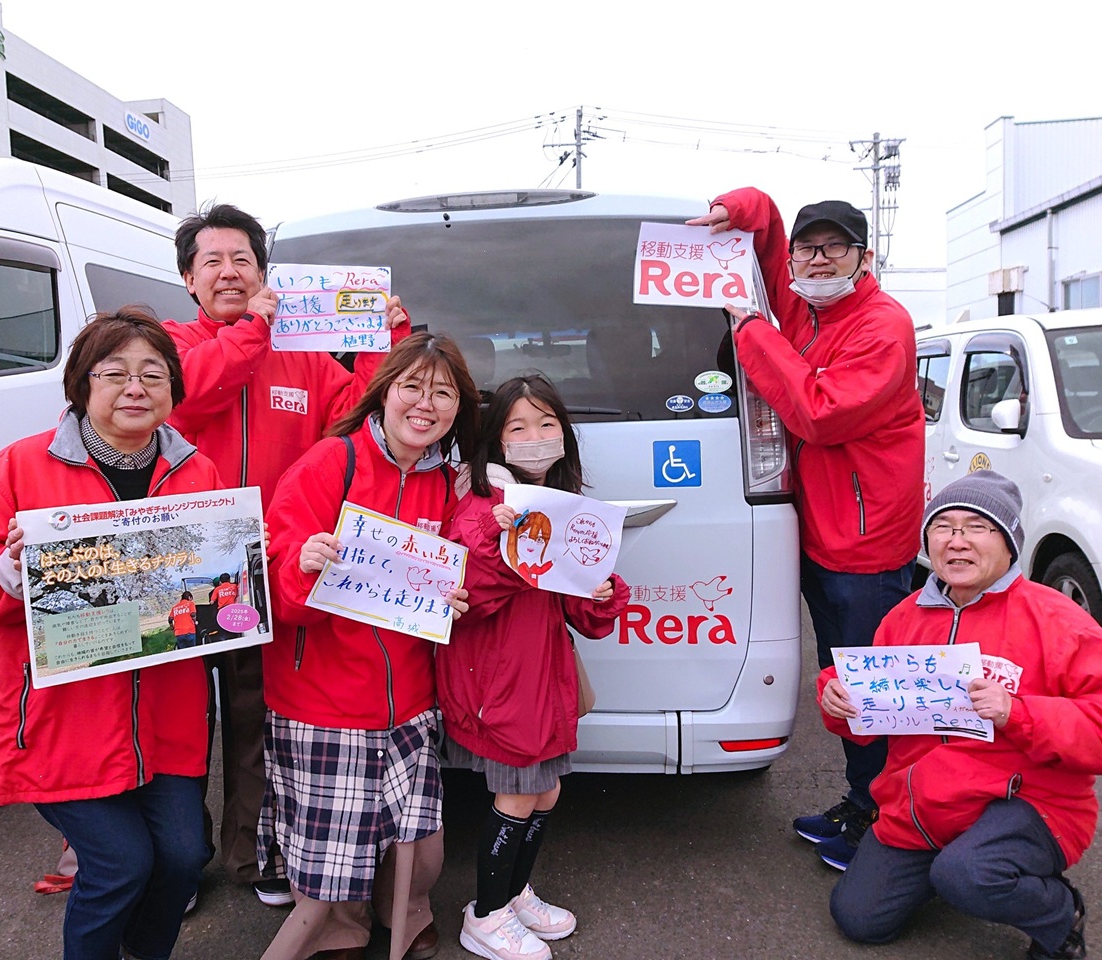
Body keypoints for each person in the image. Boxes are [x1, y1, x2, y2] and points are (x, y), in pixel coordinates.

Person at [0, 308, 222, 960]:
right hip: (59, 721)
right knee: (119, 865)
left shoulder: (198, 473)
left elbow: (226, 582)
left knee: (183, 856)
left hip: (166, 716)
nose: (135, 388)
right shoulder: (21, 467)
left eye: (153, 374)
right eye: (115, 374)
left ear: (174, 388)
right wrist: (4, 571)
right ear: (82, 384)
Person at [162, 202, 412, 906]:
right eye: (211, 261)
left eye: (243, 259)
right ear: (187, 278)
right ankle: (177, 867)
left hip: (264, 568)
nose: (229, 272)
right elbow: (190, 394)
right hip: (179, 565)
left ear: (266, 273)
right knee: (175, 722)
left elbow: (367, 406)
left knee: (252, 716)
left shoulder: (302, 355)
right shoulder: (173, 342)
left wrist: (385, 337)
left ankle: (253, 856)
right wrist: (254, 330)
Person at [689, 189, 925, 869]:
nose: (817, 261)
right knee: (841, 677)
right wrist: (734, 209)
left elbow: (820, 413)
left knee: (871, 685)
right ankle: (864, 802)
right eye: (807, 248)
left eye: (835, 248)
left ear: (864, 256)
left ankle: (891, 825)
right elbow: (761, 228)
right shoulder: (809, 306)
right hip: (825, 535)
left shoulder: (883, 324)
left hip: (867, 544)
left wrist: (751, 329)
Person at [818, 471, 1102, 959]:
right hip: (924, 804)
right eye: (943, 528)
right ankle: (955, 870)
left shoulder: (1059, 621)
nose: (957, 541)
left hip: (1029, 803)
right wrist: (836, 699)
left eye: (976, 527)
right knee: (859, 917)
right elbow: (866, 705)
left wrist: (1018, 712)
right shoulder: (905, 617)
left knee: (967, 875)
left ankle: (1057, 913)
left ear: (1009, 542)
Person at [259, 332, 479, 960]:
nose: (425, 404)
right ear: (382, 392)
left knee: (416, 836)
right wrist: (302, 564)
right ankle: (335, 929)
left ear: (459, 407)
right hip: (321, 698)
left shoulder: (450, 483)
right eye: (412, 386)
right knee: (331, 846)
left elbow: (460, 577)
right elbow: (277, 580)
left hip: (411, 697)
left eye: (442, 393)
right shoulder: (334, 461)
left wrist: (459, 602)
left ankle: (405, 914)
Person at [436, 374, 631, 960]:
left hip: (543, 677)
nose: (534, 438)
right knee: (519, 796)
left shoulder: (563, 507)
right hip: (498, 682)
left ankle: (514, 892)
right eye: (517, 427)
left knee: (545, 794)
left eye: (546, 424)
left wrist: (602, 594)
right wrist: (502, 549)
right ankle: (487, 915)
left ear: (565, 436)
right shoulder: (478, 509)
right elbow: (457, 604)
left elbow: (582, 613)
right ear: (495, 441)